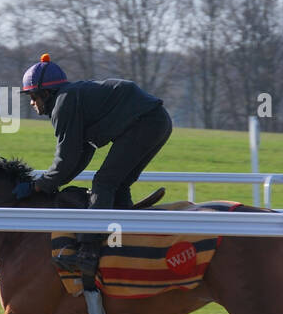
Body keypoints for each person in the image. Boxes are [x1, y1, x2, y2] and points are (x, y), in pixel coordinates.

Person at [11, 53, 173, 277]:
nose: (31, 103)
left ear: (46, 94)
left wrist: (39, 186)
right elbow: (81, 154)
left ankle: (87, 250)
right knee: (118, 183)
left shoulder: (63, 104)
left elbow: (66, 158)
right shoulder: (71, 98)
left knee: (104, 182)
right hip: (158, 121)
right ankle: (121, 241)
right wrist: (51, 182)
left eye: (32, 96)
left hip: (146, 122)